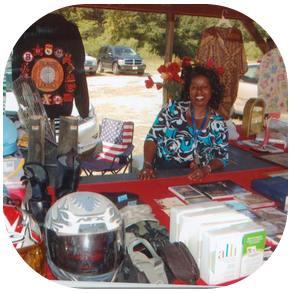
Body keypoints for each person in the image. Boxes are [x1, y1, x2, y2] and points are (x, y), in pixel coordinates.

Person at [137, 65, 229, 181]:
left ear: (212, 90)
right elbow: (152, 138)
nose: (199, 91)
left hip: (198, 176)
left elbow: (222, 157)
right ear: (189, 90)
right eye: (194, 87)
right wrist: (147, 165)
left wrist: (206, 169)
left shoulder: (218, 123)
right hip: (163, 172)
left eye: (204, 87)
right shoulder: (172, 109)